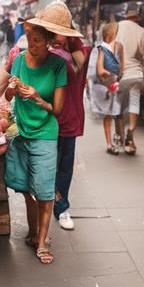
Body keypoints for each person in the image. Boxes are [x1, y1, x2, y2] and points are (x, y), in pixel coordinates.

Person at [4, 2, 77, 265]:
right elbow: (8, 95)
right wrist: (12, 87)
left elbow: (56, 110)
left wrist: (36, 97)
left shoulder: (58, 66)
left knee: (45, 193)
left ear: (48, 42)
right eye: (28, 40)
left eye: (36, 41)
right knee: (26, 188)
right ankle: (34, 231)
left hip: (45, 133)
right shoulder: (20, 59)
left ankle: (43, 241)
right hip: (21, 132)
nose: (31, 45)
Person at [50, 30, 90, 231]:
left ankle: (61, 205)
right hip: (45, 120)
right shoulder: (44, 51)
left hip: (68, 118)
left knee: (64, 166)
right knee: (46, 167)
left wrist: (69, 41)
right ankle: (45, 205)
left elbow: (79, 64)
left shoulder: (75, 52)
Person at [114, 11, 144, 155]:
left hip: (119, 73)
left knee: (118, 106)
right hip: (136, 73)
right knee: (134, 103)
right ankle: (130, 136)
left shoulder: (117, 27)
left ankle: (119, 138)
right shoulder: (143, 32)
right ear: (137, 19)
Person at [89, 22, 123, 155]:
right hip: (104, 88)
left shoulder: (115, 49)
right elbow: (98, 71)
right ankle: (110, 143)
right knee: (109, 115)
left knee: (114, 115)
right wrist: (107, 73)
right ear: (111, 35)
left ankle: (116, 140)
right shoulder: (100, 50)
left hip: (113, 86)